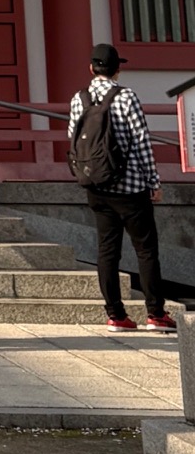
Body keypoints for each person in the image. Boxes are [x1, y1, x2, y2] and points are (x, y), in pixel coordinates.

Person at [68, 41, 176, 334]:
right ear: (117, 70)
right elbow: (142, 142)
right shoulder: (126, 96)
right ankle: (156, 314)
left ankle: (116, 315)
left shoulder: (79, 98)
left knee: (107, 251)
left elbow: (73, 139)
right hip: (130, 189)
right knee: (145, 250)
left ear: (91, 68)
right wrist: (153, 182)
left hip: (96, 185)